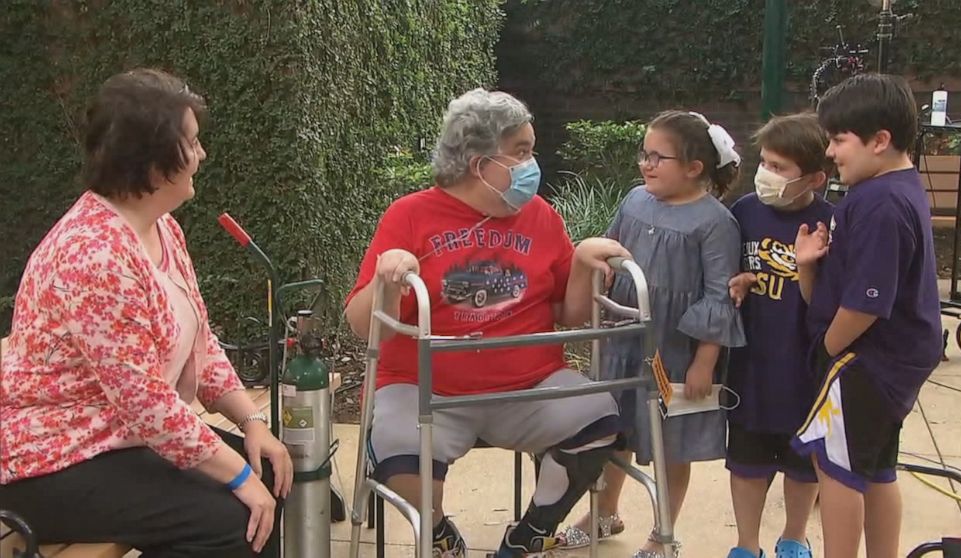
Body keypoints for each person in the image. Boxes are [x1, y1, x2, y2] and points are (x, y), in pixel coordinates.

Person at [0, 69, 291, 558]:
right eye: (192, 143)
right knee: (231, 519)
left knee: (272, 475)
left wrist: (251, 422)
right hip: (51, 460)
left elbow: (201, 341)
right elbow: (145, 403)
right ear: (155, 167)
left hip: (116, 436)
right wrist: (237, 474)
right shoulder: (94, 254)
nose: (202, 155)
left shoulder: (163, 230)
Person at [343, 88, 630, 558]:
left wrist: (580, 263)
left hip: (527, 386)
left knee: (597, 416)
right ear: (480, 162)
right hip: (424, 387)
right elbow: (361, 324)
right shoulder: (410, 215)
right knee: (395, 444)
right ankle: (436, 530)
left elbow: (568, 314)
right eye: (521, 152)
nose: (531, 163)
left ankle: (531, 532)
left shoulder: (540, 216)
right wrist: (386, 277)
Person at [559, 110, 747, 558]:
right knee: (614, 430)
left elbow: (720, 295)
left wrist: (705, 361)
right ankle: (604, 511)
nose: (646, 164)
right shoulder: (635, 200)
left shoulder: (715, 222)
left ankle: (664, 531)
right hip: (624, 339)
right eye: (644, 154)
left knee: (671, 444)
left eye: (658, 157)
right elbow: (610, 248)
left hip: (675, 351)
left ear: (693, 168)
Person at [793, 73, 943, 558]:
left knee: (835, 469)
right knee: (876, 468)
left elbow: (866, 303)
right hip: (890, 359)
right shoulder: (893, 188)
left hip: (866, 362)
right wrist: (807, 268)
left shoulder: (880, 202)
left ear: (880, 140)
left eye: (838, 140)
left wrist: (828, 351)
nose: (831, 152)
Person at [724, 113, 834, 558]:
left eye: (780, 167)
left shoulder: (830, 221)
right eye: (765, 162)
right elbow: (723, 271)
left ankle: (794, 538)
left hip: (804, 364)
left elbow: (826, 301)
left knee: (802, 461)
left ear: (815, 178)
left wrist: (807, 267)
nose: (767, 174)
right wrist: (736, 281)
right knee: (747, 459)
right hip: (752, 361)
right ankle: (746, 544)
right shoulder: (744, 211)